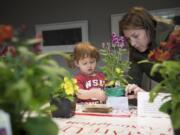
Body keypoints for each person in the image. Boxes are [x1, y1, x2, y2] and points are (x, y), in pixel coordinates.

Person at [119, 6, 175, 99]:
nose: (132, 43)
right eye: (128, 39)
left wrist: (148, 96)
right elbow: (132, 80)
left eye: (136, 36)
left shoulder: (174, 39)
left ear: (149, 28)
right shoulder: (135, 52)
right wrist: (128, 89)